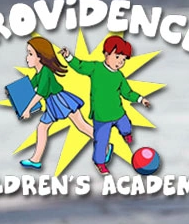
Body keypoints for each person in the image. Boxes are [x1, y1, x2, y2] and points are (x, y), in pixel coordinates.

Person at [61, 36, 151, 174]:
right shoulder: (96, 68)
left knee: (126, 125)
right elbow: (80, 66)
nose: (120, 62)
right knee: (101, 142)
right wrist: (68, 57)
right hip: (101, 116)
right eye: (117, 57)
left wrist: (140, 99)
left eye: (123, 60)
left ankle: (126, 134)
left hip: (118, 112)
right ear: (106, 54)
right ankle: (100, 163)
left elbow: (127, 93)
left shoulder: (119, 76)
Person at [18, 37, 95, 169]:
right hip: (54, 102)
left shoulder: (46, 72)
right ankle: (36, 159)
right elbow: (29, 88)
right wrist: (14, 95)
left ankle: (105, 145)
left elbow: (40, 94)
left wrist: (27, 110)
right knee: (45, 127)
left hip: (60, 101)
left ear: (40, 57)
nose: (27, 58)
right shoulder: (39, 73)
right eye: (28, 53)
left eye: (31, 54)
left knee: (81, 125)